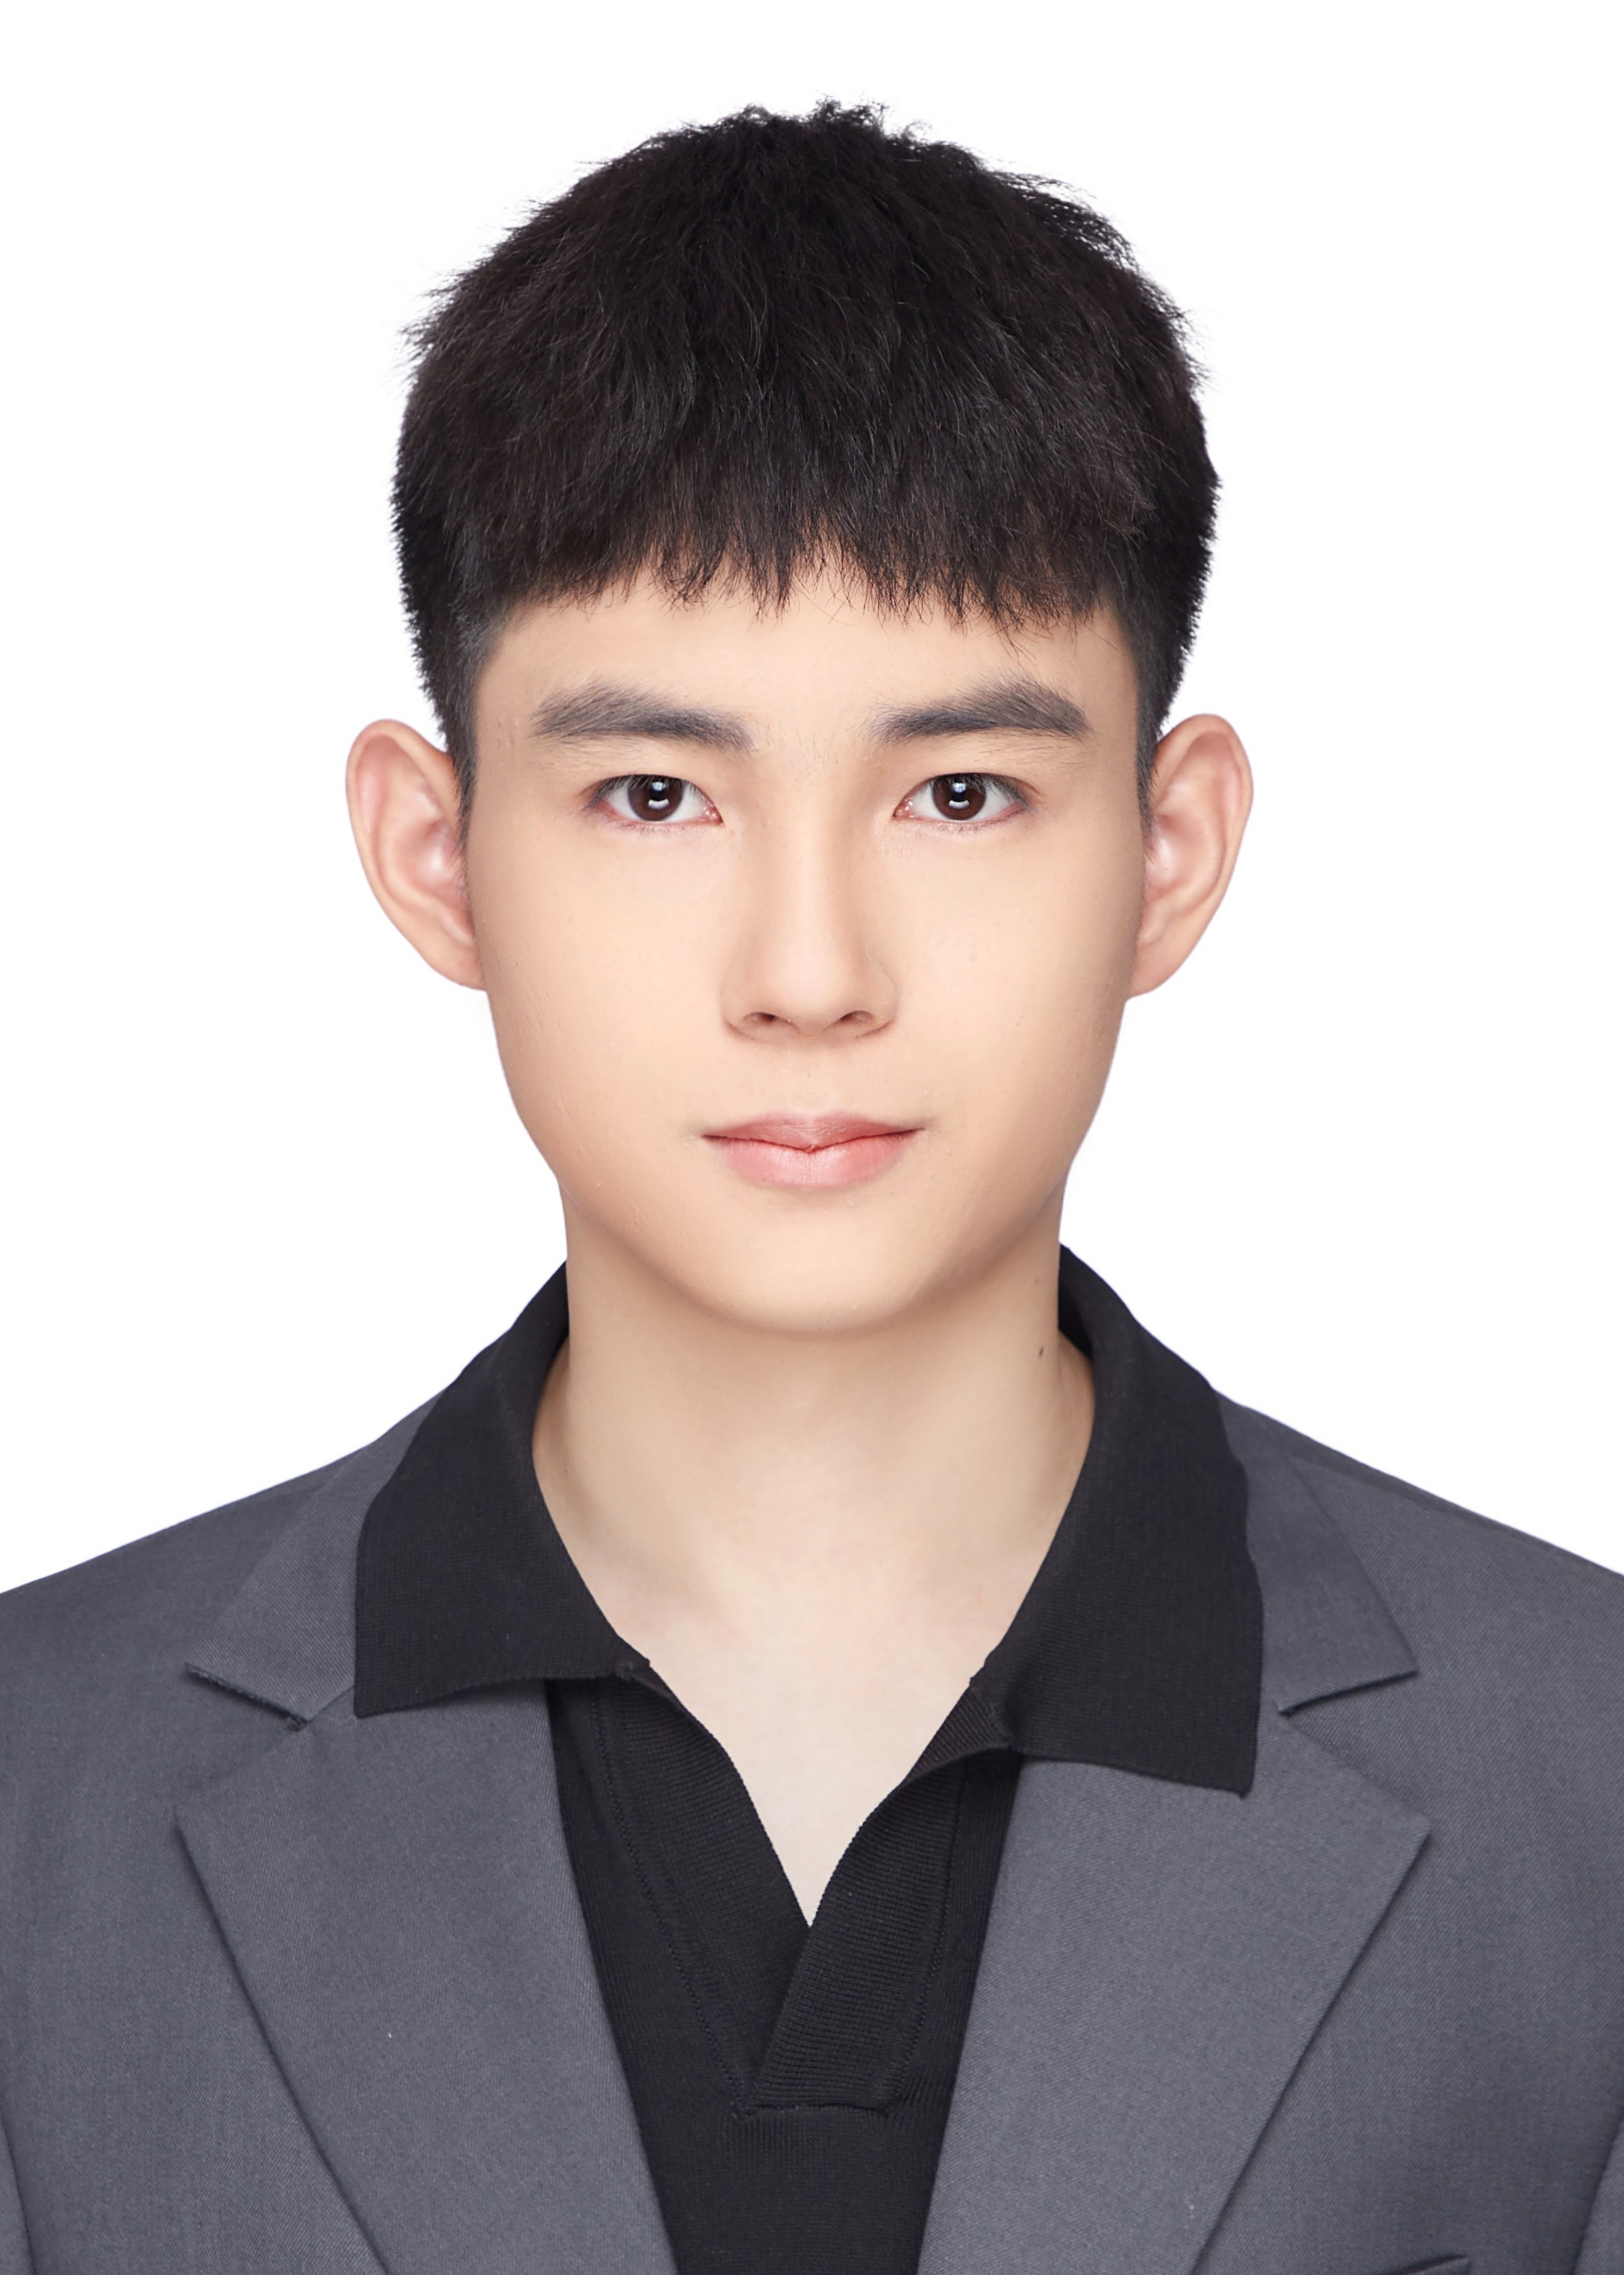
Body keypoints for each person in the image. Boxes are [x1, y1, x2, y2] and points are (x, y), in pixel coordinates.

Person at [1, 100, 1620, 2275]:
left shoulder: (1585, 1778)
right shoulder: (38, 1791)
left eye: (961, 792)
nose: (809, 971)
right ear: (435, 853)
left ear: (1169, 851)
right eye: (653, 794)